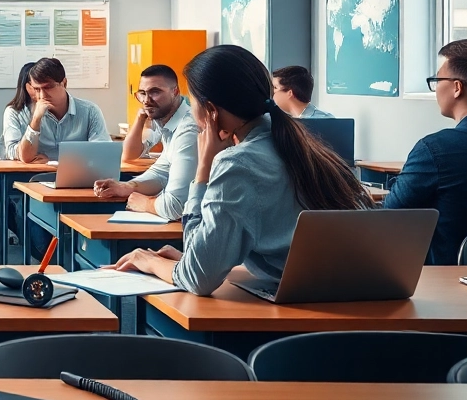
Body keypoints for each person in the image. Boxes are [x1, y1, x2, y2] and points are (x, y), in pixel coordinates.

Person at [112, 45, 372, 295]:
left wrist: (148, 261)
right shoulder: (302, 142)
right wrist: (205, 257)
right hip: (357, 291)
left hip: (309, 309)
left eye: (191, 103)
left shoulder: (236, 164)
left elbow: (196, 278)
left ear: (211, 111)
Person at [385, 39, 467, 264]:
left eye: (437, 80)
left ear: (457, 87)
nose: (436, 87)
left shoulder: (435, 150)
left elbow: (390, 214)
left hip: (449, 286)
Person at [94, 65, 199, 221]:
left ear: (175, 91)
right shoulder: (165, 120)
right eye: (142, 93)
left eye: (155, 92)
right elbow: (161, 171)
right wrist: (127, 187)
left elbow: (176, 206)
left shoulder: (188, 130)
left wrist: (145, 203)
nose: (146, 101)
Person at [0, 57, 109, 162]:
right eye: (37, 89)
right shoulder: (15, 112)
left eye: (48, 87)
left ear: (64, 83)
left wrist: (59, 162)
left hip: (77, 177)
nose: (42, 95)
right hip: (30, 176)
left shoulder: (90, 111)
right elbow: (15, 153)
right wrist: (36, 120)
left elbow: (103, 153)